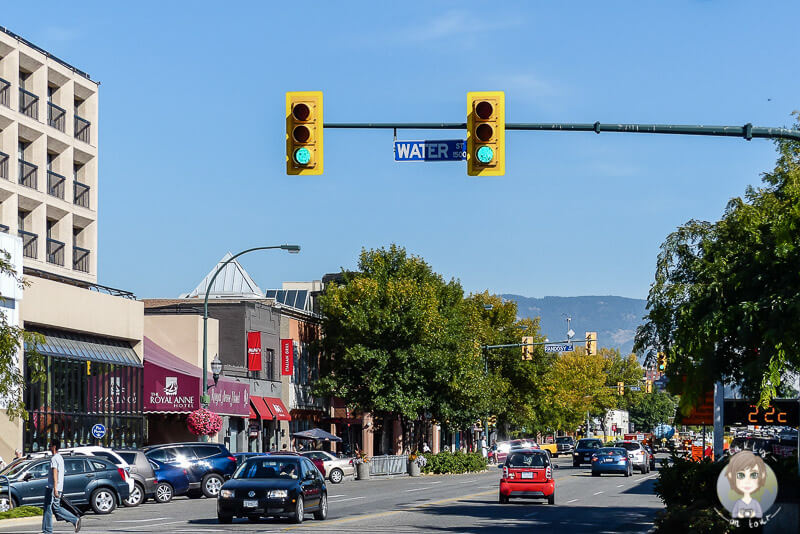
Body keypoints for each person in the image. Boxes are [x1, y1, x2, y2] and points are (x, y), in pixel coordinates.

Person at [42, 438, 80, 534]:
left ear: (54, 447)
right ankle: (74, 520)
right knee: (55, 507)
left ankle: (47, 530)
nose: (49, 447)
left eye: (50, 445)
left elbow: (55, 473)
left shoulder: (54, 458)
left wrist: (54, 488)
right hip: (58, 487)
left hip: (52, 487)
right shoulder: (60, 458)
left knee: (49, 508)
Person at [726, 451, 767, 519]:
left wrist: (753, 514)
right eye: (741, 475)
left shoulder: (755, 503)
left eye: (754, 475)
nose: (747, 481)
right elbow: (733, 514)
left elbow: (760, 514)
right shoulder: (738, 503)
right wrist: (739, 514)